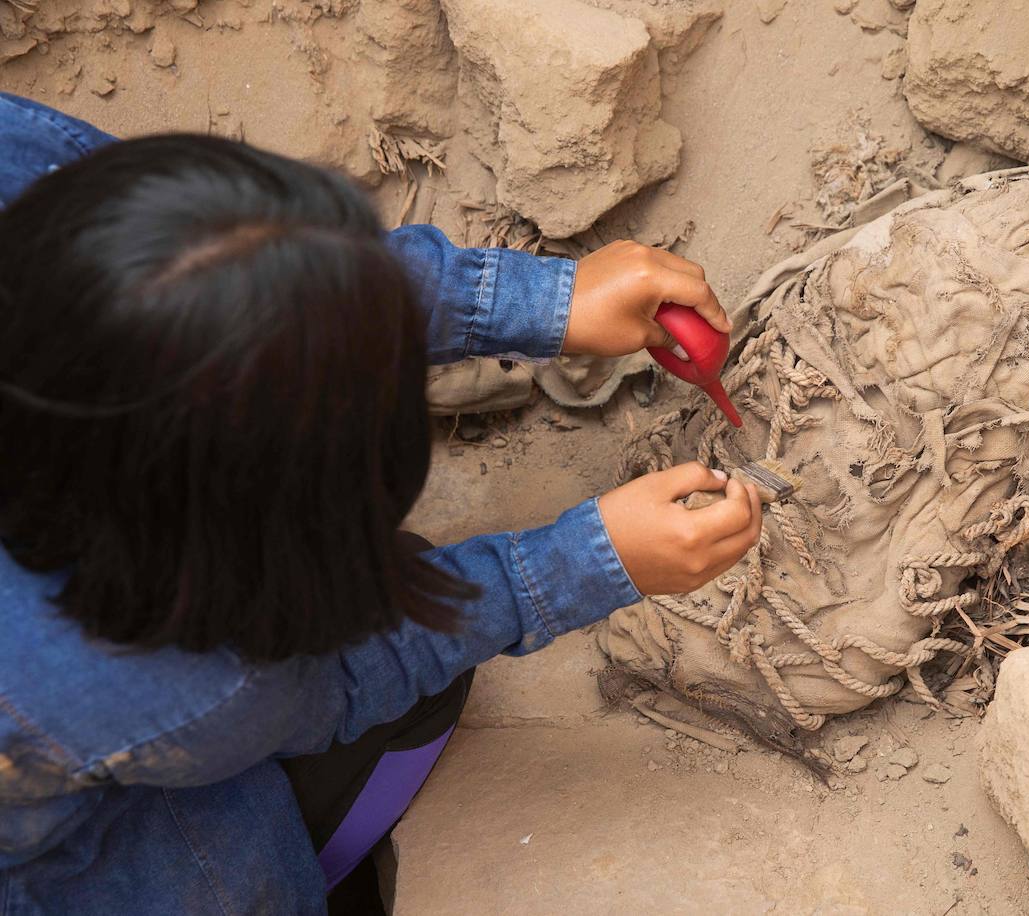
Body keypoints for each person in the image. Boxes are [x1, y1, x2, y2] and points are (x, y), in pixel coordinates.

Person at [0, 93, 762, 914]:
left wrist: (535, 300)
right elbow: (342, 678)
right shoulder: (170, 687)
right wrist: (576, 566)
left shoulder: (30, 183)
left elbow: (226, 263)